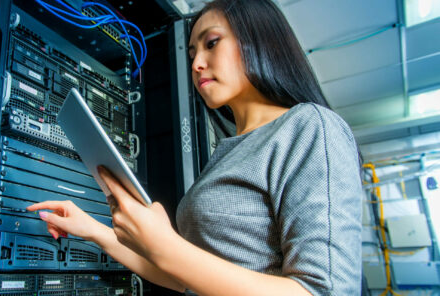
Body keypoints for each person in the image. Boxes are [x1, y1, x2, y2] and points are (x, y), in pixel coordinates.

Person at [28, 0, 363, 295]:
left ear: (260, 41)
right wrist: (94, 231)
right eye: (191, 54)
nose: (197, 64)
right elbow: (184, 278)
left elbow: (324, 291)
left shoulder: (309, 127)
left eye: (212, 43)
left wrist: (167, 246)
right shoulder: (227, 152)